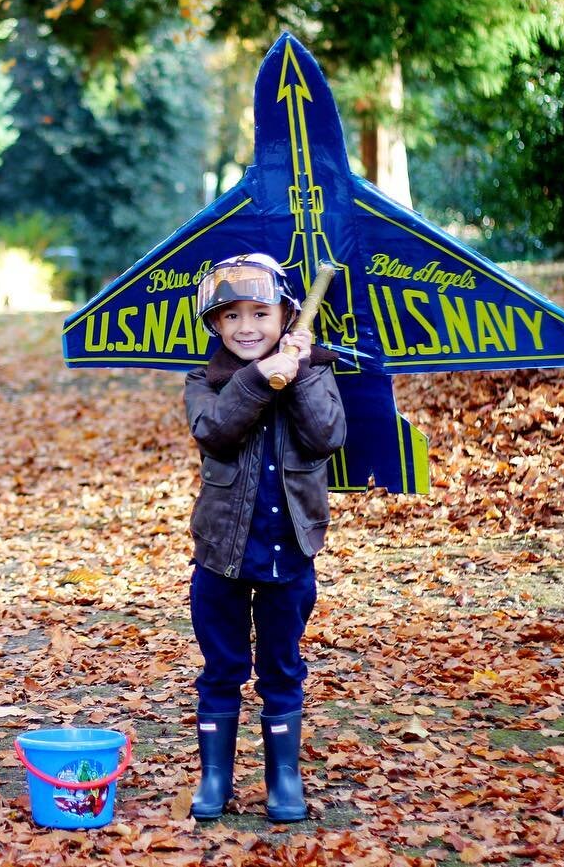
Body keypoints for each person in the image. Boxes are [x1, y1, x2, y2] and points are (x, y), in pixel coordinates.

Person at [182, 253, 346, 823]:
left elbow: (326, 435)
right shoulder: (205, 382)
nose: (246, 327)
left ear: (286, 315)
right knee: (223, 668)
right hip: (221, 558)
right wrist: (257, 379)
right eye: (231, 318)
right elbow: (216, 433)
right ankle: (216, 777)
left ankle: (283, 777)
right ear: (216, 327)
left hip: (289, 556)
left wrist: (296, 373)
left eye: (260, 313)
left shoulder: (315, 369)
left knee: (281, 667)